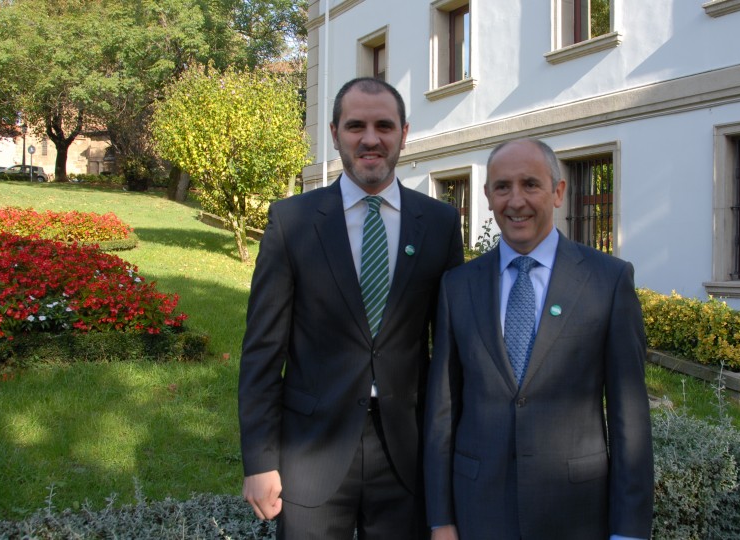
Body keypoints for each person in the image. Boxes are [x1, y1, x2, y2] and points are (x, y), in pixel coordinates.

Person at [239, 77, 465, 540]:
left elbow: (450, 353)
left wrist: (450, 458)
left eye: (384, 126)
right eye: (356, 126)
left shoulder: (440, 223)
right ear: (335, 133)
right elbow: (262, 351)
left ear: (404, 133)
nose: (370, 139)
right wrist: (260, 459)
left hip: (407, 455)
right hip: (311, 452)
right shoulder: (291, 221)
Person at [423, 138, 654, 540]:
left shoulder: (608, 281)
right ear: (487, 196)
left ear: (558, 192)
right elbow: (442, 411)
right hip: (478, 511)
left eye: (530, 184)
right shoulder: (457, 287)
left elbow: (629, 415)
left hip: (576, 515)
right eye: (502, 187)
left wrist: (629, 532)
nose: (516, 201)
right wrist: (440, 519)